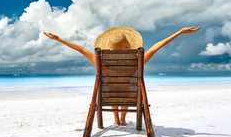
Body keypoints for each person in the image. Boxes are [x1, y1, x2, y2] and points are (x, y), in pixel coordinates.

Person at [43, 26, 201, 126]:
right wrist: (179, 32)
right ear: (128, 45)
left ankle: (116, 120)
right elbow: (156, 47)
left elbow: (81, 49)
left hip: (107, 96)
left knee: (112, 86)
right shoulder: (137, 58)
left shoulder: (100, 59)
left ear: (109, 47)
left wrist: (59, 40)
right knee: (126, 87)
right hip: (130, 97)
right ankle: (123, 120)